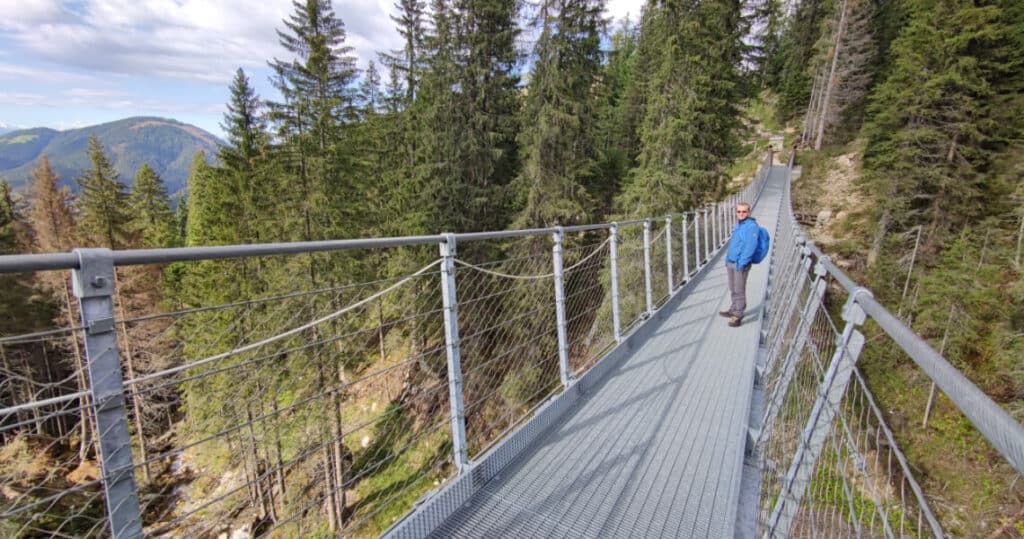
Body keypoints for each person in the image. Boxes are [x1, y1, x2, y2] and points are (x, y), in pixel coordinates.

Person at [720, 202, 759, 327]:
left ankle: (738, 315)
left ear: (749, 212)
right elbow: (734, 243)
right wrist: (727, 260)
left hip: (740, 264)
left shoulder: (751, 227)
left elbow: (750, 247)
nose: (741, 214)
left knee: (739, 289)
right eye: (739, 211)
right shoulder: (739, 225)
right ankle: (733, 308)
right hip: (731, 262)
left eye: (744, 211)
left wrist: (741, 263)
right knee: (732, 288)